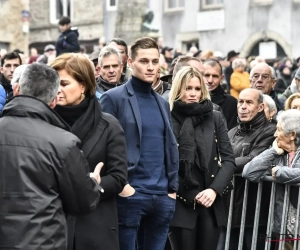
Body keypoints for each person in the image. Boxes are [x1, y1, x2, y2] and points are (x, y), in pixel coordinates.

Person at [0, 63, 102, 250]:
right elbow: (84, 201)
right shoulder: (63, 143)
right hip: (42, 242)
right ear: (54, 100)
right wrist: (93, 182)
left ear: (16, 89)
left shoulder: (62, 143)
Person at [100, 37, 178, 250]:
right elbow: (102, 146)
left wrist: (172, 190)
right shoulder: (113, 98)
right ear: (130, 63)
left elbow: (169, 145)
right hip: (130, 194)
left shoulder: (162, 102)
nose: (151, 67)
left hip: (162, 197)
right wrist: (123, 187)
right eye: (144, 61)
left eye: (155, 61)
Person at [50, 53, 127, 250]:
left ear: (83, 85)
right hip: (52, 226)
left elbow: (119, 177)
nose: (57, 90)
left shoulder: (109, 125)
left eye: (64, 84)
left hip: (95, 225)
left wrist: (92, 186)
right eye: (54, 83)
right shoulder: (44, 123)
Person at [167, 66, 235, 250]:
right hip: (181, 203)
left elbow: (228, 159)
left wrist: (214, 190)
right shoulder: (167, 117)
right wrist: (189, 194)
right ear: (178, 88)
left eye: (197, 89)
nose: (192, 93)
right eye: (188, 88)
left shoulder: (215, 117)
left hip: (210, 203)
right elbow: (164, 163)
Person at [243, 109, 300, 250]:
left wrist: (281, 173)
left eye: (279, 130)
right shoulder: (277, 154)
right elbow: (248, 172)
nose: (275, 134)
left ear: (292, 134)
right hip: (282, 230)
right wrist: (272, 152)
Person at [228, 88, 277, 250]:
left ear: (260, 107)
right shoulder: (231, 132)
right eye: (240, 102)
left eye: (249, 102)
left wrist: (223, 166)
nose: (243, 106)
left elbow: (253, 160)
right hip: (230, 210)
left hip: (255, 211)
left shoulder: (270, 131)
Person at [203, 58, 238, 130]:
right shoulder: (191, 98)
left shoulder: (231, 103)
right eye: (206, 75)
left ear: (221, 78)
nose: (210, 80)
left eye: (215, 76)